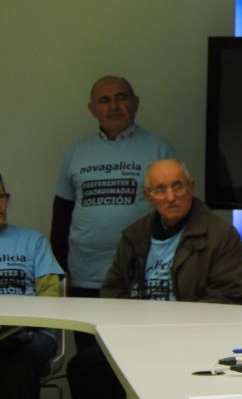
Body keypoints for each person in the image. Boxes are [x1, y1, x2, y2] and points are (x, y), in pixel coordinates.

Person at [67, 159, 242, 399]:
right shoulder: (135, 235)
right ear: (148, 195)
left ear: (191, 189)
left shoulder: (220, 234)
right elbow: (112, 290)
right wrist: (135, 330)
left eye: (178, 186)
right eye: (161, 190)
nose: (171, 196)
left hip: (194, 343)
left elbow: (228, 298)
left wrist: (171, 331)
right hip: (136, 339)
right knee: (85, 367)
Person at [50, 76, 176, 307]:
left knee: (135, 342)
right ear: (92, 109)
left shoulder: (159, 148)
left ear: (135, 103)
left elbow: (175, 213)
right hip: (85, 274)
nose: (113, 106)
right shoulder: (76, 151)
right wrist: (60, 268)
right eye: (104, 100)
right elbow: (61, 215)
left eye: (121, 98)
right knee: (87, 343)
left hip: (141, 273)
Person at [0, 172, 64, 399]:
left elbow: (51, 297)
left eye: (2, 196)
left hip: (32, 337)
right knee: (12, 368)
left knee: (20, 359)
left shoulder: (33, 242)